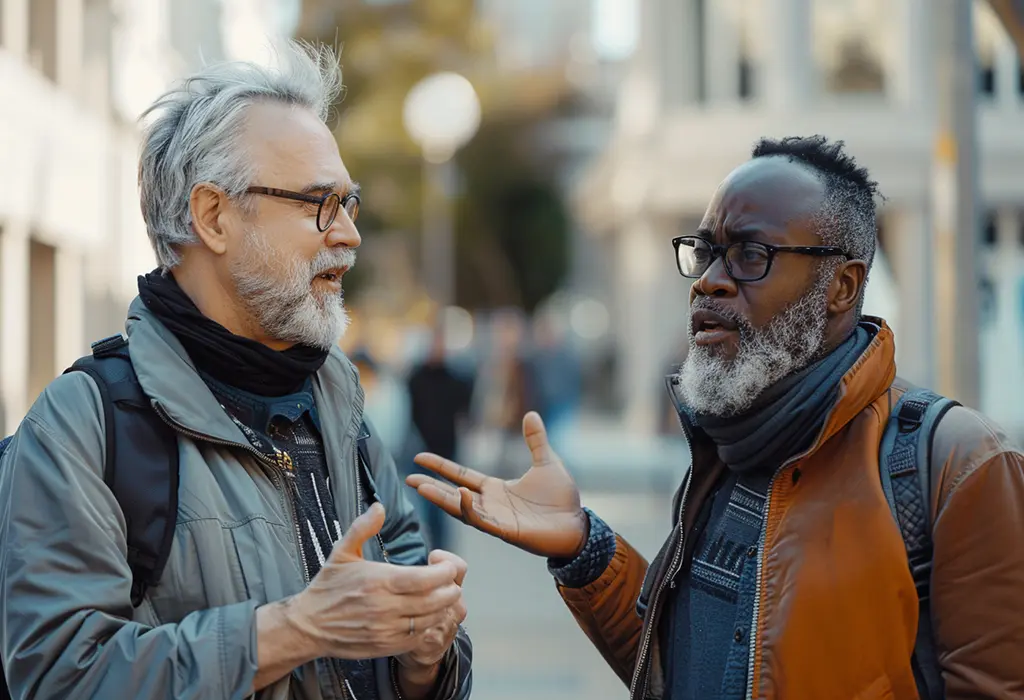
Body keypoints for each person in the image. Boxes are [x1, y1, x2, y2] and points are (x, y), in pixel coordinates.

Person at [405, 136, 1024, 699]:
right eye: (705, 253)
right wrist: (583, 546)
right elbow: (682, 669)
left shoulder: (956, 464)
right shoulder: (729, 448)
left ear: (841, 286)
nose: (709, 282)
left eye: (750, 254)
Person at [0, 43, 471, 700]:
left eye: (349, 203)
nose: (348, 235)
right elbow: (57, 677)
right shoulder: (82, 426)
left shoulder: (338, 408)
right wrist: (292, 631)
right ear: (213, 216)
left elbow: (415, 628)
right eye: (318, 203)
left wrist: (428, 658)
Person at [406, 322, 475, 551]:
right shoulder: (416, 378)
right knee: (424, 505)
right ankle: (427, 549)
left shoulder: (455, 379)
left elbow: (466, 408)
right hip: (421, 451)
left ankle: (443, 551)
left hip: (446, 452)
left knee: (444, 507)